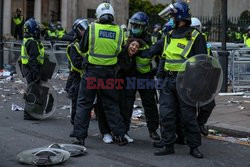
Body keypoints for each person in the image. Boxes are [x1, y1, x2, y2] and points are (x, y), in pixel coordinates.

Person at [142, 1, 206, 158]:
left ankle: (194, 147)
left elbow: (203, 62)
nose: (170, 19)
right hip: (168, 82)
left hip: (185, 82)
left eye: (171, 16)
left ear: (179, 16)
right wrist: (134, 49)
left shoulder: (196, 36)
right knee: (166, 114)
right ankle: (168, 144)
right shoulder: (169, 35)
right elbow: (159, 54)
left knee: (188, 116)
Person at [70, 2, 127, 146]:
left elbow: (82, 48)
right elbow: (122, 51)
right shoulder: (120, 31)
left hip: (92, 73)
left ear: (98, 14)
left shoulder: (92, 28)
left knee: (84, 104)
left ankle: (79, 137)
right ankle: (119, 135)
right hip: (109, 73)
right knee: (111, 105)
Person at [126, 11, 160, 141]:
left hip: (146, 77)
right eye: (133, 25)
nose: (135, 27)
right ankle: (124, 130)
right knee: (127, 104)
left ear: (144, 27)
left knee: (150, 104)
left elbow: (159, 57)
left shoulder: (151, 40)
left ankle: (153, 130)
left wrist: (155, 72)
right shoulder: (126, 37)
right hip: (130, 76)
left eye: (138, 25)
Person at [65, 18, 88, 125]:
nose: (85, 31)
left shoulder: (87, 44)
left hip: (87, 77)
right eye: (82, 29)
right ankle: (76, 123)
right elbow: (77, 64)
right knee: (77, 103)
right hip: (77, 78)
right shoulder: (73, 46)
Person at [20, 18, 44, 120]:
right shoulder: (32, 42)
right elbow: (33, 59)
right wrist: (36, 74)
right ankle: (29, 114)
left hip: (26, 68)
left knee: (31, 89)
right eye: (36, 28)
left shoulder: (26, 40)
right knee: (33, 91)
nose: (38, 31)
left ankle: (30, 112)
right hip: (31, 69)